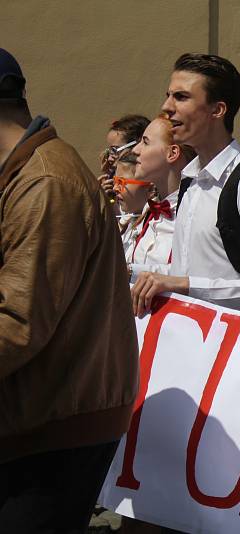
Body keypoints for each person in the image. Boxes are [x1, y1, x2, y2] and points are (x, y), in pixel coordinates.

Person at [0, 47, 139, 530]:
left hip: (52, 427)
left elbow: (17, 323)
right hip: (41, 416)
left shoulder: (45, 183)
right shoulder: (23, 174)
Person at [130, 53, 240, 316]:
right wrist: (130, 271)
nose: (167, 107)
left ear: (217, 110)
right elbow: (185, 273)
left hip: (234, 350)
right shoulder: (190, 181)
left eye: (181, 97)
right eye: (169, 95)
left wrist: (184, 285)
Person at [125, 115, 196, 279]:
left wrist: (131, 271)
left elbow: (192, 275)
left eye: (145, 142)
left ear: (172, 153)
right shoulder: (150, 210)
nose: (135, 150)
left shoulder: (195, 212)